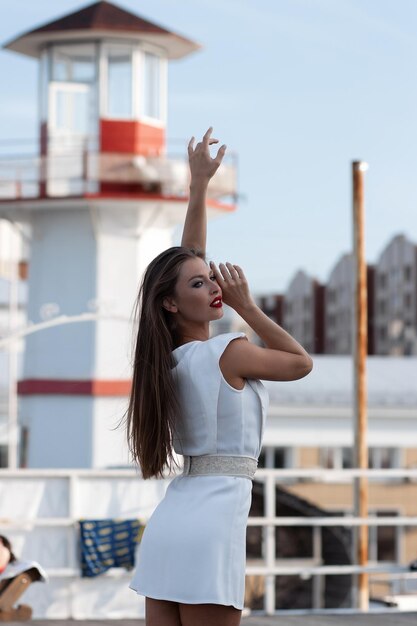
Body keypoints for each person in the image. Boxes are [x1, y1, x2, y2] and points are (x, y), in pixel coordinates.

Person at [127, 128, 313, 626]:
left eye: (212, 278)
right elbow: (299, 363)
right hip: (213, 519)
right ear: (171, 303)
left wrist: (198, 187)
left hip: (174, 516)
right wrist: (247, 305)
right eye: (200, 283)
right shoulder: (227, 351)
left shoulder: (166, 358)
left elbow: (184, 262)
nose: (213, 286)